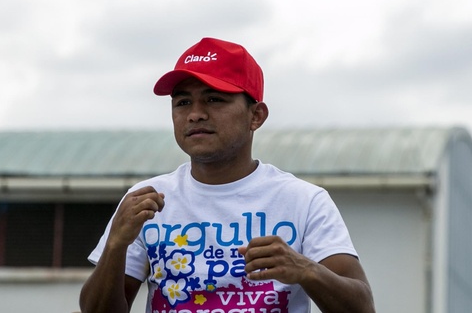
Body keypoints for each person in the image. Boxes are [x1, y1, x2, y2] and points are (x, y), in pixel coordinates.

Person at [79, 37, 375, 313]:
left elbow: (362, 306)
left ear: (256, 116)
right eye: (182, 102)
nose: (195, 114)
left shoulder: (303, 200)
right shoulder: (147, 200)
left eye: (214, 100)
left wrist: (306, 269)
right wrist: (115, 245)